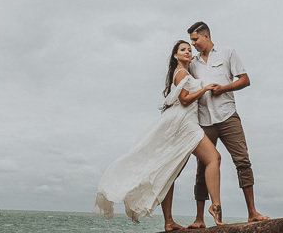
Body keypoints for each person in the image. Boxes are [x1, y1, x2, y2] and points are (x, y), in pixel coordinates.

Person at [93, 40, 227, 229]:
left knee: (169, 171)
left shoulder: (186, 72)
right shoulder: (181, 73)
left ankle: (169, 222)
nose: (188, 52)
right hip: (185, 124)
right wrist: (204, 89)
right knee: (214, 158)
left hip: (183, 122)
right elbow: (185, 100)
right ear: (175, 55)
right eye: (183, 50)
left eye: (189, 50)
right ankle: (215, 206)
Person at [184, 21, 269, 226]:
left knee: (242, 161)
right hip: (204, 121)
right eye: (191, 40)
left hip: (228, 116)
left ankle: (252, 212)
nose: (193, 43)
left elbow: (245, 79)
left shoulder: (227, 53)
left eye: (195, 39)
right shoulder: (192, 63)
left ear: (206, 36)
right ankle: (199, 219)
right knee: (202, 167)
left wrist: (223, 88)